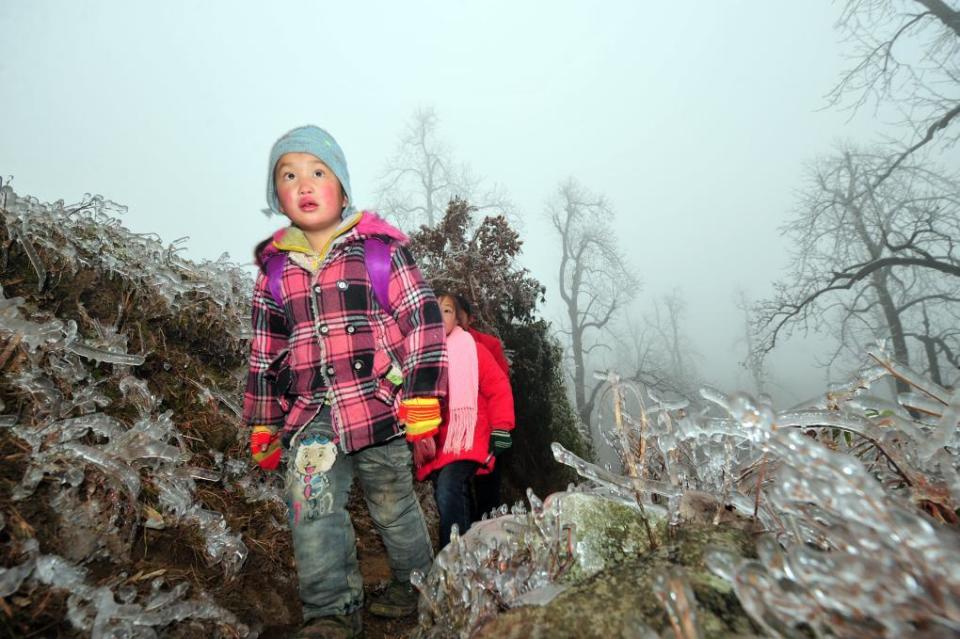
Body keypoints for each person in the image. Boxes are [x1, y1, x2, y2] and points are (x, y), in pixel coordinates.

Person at [242, 125, 446, 639]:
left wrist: (421, 403)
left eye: (317, 172)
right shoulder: (273, 274)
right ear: (278, 197)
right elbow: (266, 352)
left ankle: (419, 586)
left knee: (394, 509)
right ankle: (331, 613)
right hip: (312, 420)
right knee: (312, 510)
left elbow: (423, 322)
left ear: (342, 186)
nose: (304, 185)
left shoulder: (380, 252)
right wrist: (265, 423)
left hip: (380, 411)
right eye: (289, 175)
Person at [414, 293, 515, 548]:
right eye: (434, 309)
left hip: (469, 435)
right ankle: (473, 551)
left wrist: (502, 427)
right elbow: (412, 398)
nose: (440, 315)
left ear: (459, 319)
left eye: (447, 310)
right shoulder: (422, 354)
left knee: (450, 488)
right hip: (439, 441)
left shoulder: (473, 348)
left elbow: (499, 386)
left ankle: (454, 556)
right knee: (449, 494)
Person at [455, 294, 511, 519]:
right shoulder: (438, 346)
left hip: (486, 429)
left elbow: (501, 386)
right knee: (458, 491)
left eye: (460, 316)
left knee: (488, 489)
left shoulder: (489, 345)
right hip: (456, 432)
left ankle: (488, 545)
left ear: (470, 318)